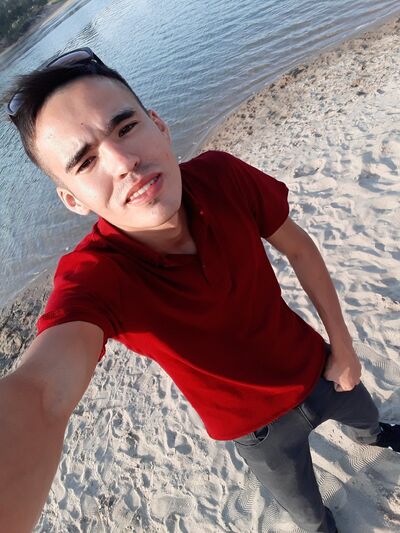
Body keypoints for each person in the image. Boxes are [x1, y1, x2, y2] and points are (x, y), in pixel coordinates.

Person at [1, 47, 398, 533]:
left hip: (318, 366)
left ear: (159, 125)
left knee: (367, 421)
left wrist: (344, 346)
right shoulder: (97, 276)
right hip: (255, 431)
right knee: (311, 516)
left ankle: (376, 436)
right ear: (71, 199)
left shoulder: (221, 177)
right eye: (85, 162)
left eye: (126, 128)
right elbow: (43, 393)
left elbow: (299, 248)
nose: (124, 162)